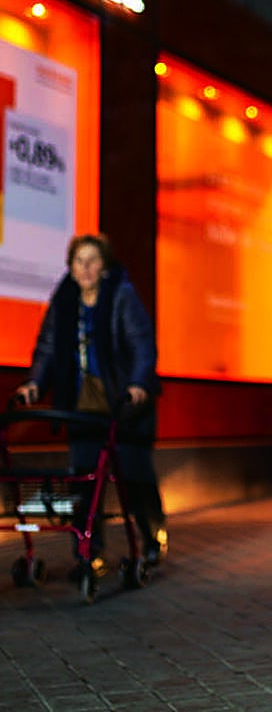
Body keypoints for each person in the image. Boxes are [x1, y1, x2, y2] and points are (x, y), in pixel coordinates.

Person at [16, 233, 168, 575]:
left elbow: (141, 343)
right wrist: (35, 384)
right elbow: (48, 348)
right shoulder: (64, 299)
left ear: (104, 266)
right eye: (78, 261)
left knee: (135, 478)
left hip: (122, 404)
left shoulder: (121, 295)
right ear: (70, 267)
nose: (85, 268)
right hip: (82, 405)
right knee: (84, 484)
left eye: (92, 260)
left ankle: (152, 536)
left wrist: (139, 384)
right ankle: (88, 553)